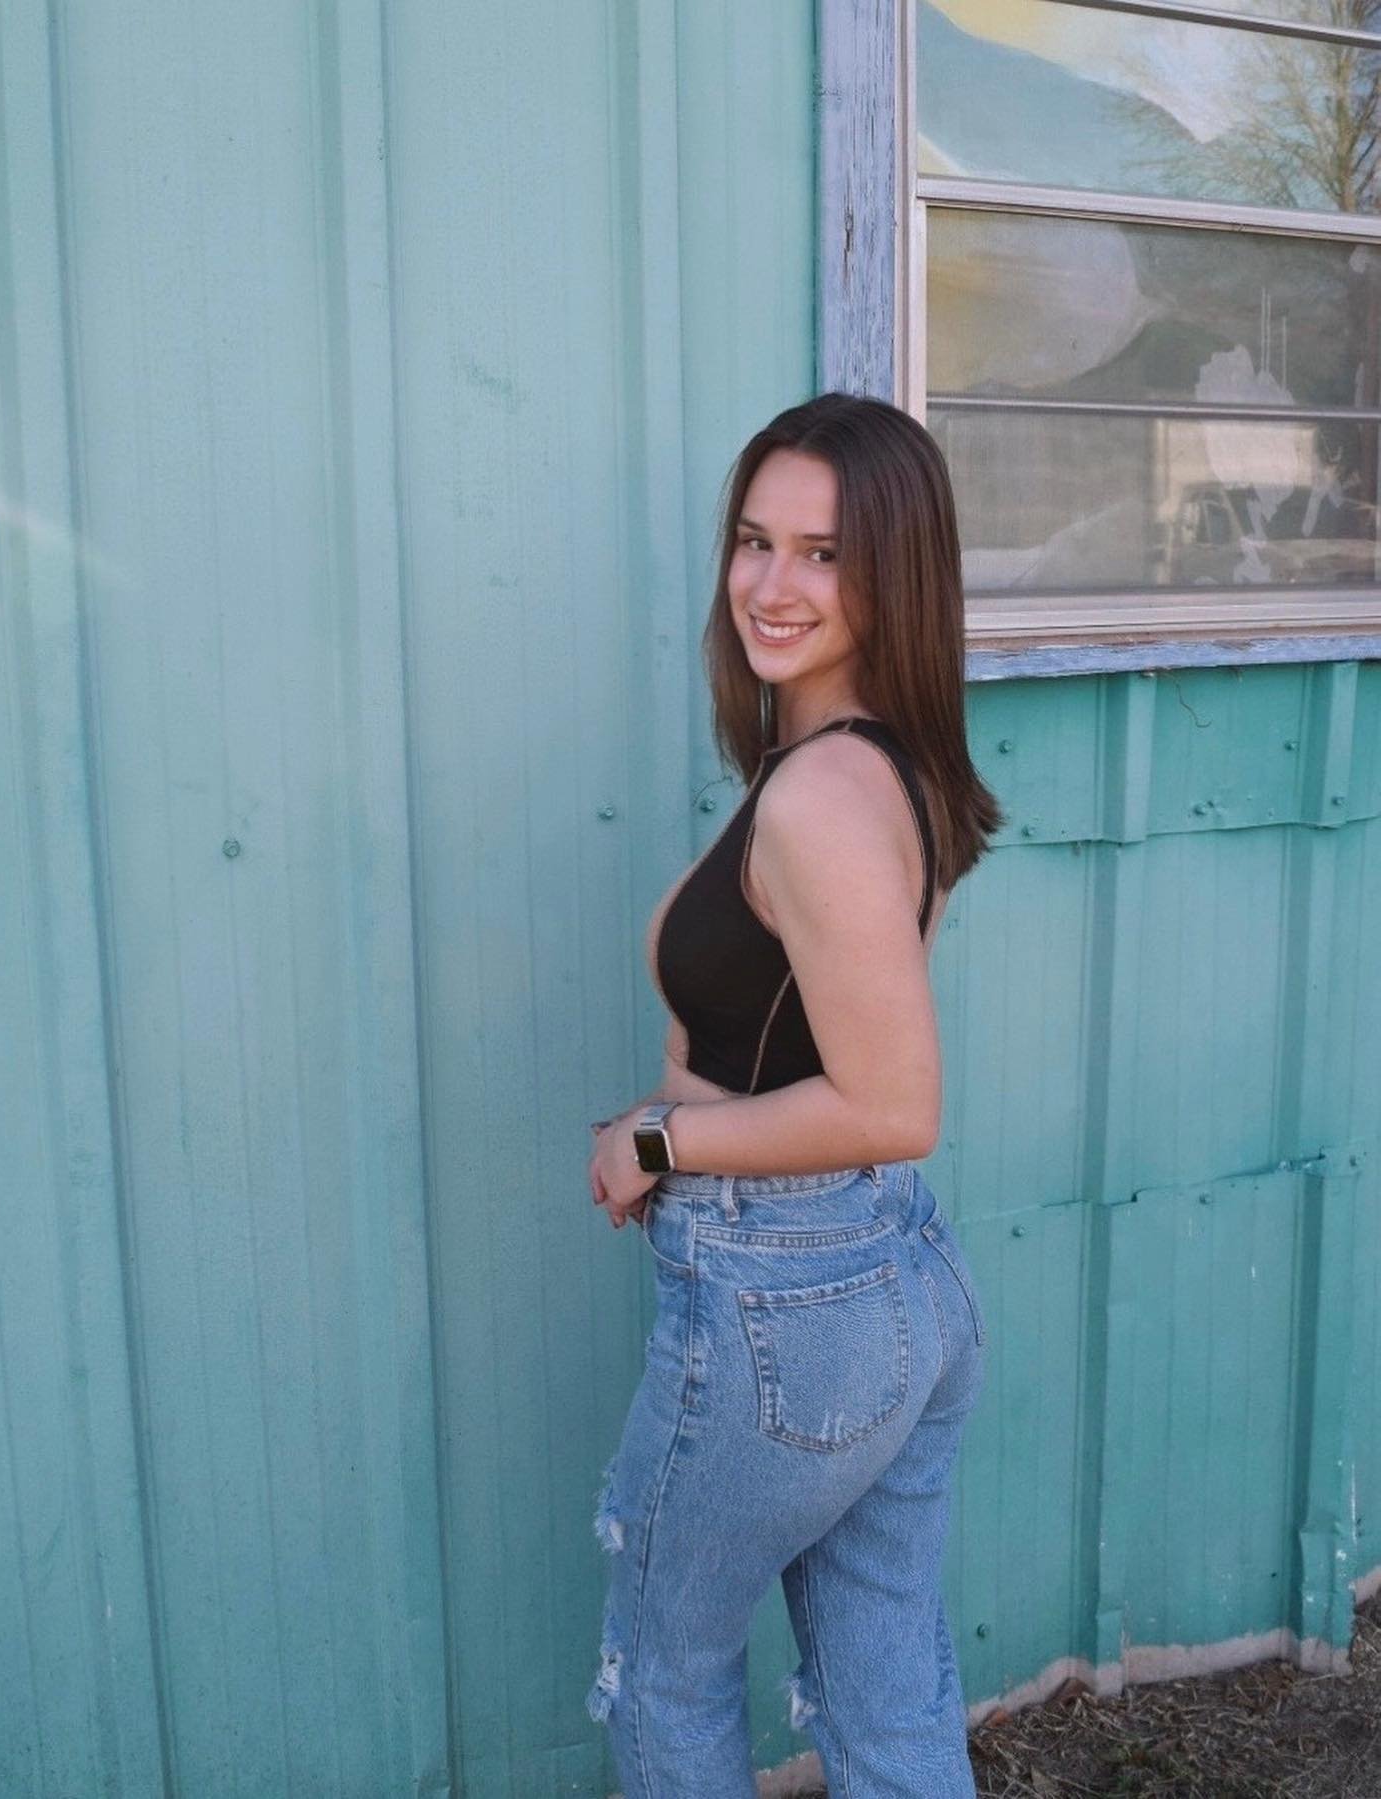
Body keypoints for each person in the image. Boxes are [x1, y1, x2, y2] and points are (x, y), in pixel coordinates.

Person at [585, 392, 1005, 1798]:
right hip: (889, 1274)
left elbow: (893, 1104)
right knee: (884, 1682)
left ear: (897, 572)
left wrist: (657, 1137)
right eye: (755, 542)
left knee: (666, 1670)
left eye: (824, 554)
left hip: (789, 1292)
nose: (772, 585)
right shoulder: (881, 759)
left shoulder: (821, 797)